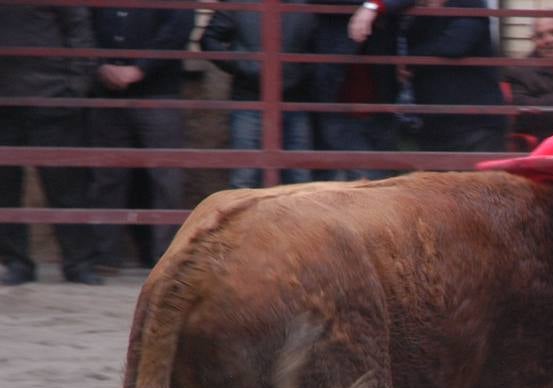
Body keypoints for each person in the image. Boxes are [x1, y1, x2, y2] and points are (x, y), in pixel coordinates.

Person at [0, 5, 102, 286]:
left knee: (66, 185)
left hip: (53, 98)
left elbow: (79, 32)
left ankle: (78, 263)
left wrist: (74, 89)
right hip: (4, 104)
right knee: (5, 188)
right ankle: (16, 262)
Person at [87, 5, 194, 270]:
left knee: (165, 178)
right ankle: (105, 255)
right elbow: (83, 26)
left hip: (159, 92)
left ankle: (165, 259)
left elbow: (178, 28)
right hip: (107, 93)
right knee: (108, 176)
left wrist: (140, 69)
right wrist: (101, 66)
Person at [201, 7, 318, 189]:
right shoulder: (238, 4)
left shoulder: (304, 4)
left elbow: (318, 43)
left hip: (294, 100)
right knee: (245, 175)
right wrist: (241, 66)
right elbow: (209, 40)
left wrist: (301, 73)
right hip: (249, 99)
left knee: (299, 176)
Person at [309, 0, 410, 180]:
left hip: (379, 101)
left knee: (375, 179)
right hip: (335, 98)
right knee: (335, 178)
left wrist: (373, 5)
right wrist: (369, 5)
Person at [406, 0, 506, 153]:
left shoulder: (469, 3)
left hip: (475, 125)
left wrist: (412, 59)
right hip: (435, 126)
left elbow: (454, 45)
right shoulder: (421, 13)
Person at [504, 16, 553, 146]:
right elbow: (525, 115)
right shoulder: (520, 72)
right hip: (547, 143)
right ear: (533, 40)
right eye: (540, 36)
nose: (548, 40)